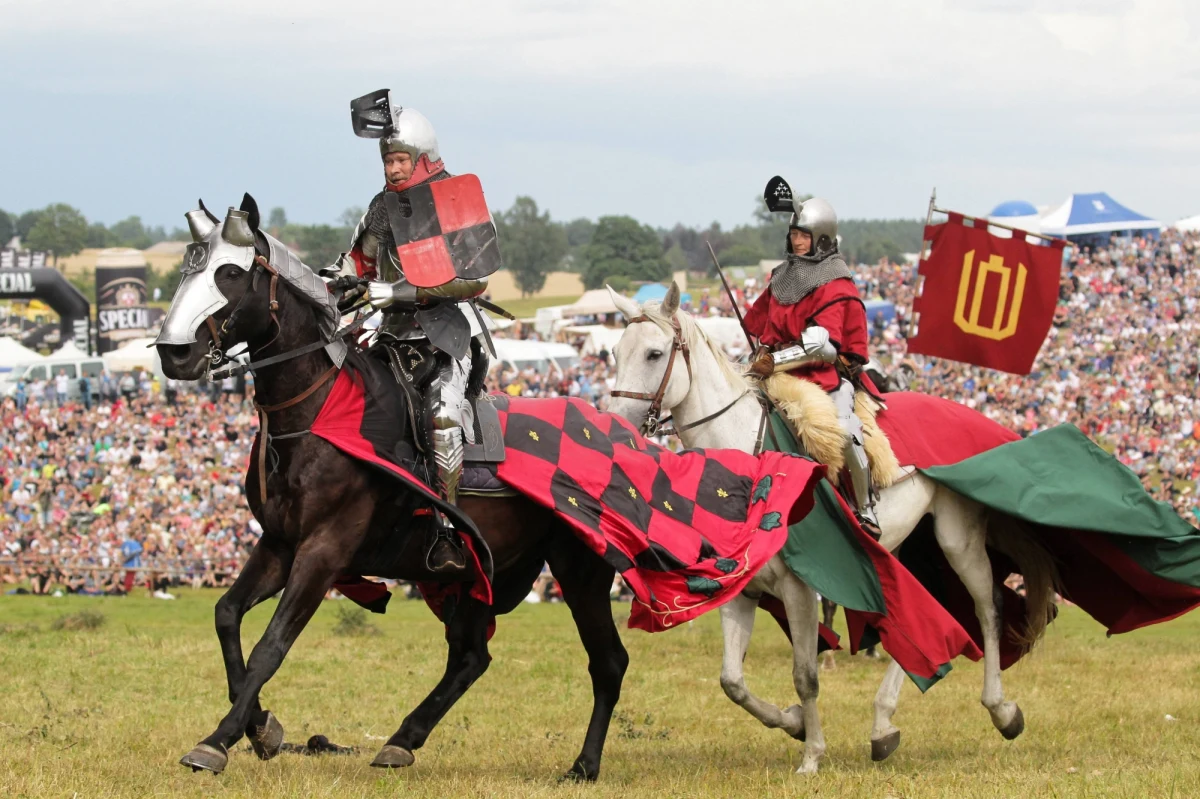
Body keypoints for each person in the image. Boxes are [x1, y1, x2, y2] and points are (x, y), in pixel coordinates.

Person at [321, 90, 500, 574]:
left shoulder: (453, 200)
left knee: (441, 417)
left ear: (422, 158)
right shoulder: (381, 207)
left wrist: (398, 292)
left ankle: (447, 533)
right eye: (388, 160)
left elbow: (474, 278)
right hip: (388, 335)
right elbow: (358, 261)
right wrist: (338, 281)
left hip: (444, 335)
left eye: (401, 159)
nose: (394, 168)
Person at [745, 196, 878, 530]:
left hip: (824, 374)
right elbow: (763, 327)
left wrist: (774, 361)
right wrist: (763, 353)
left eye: (804, 235)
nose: (797, 241)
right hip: (776, 371)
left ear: (822, 238)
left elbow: (823, 348)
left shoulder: (835, 282)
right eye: (794, 234)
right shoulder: (783, 276)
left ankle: (865, 509)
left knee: (843, 432)